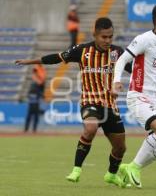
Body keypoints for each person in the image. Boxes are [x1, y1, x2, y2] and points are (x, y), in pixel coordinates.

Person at [16, 17, 132, 187]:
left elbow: (135, 70)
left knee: (120, 148)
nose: (108, 40)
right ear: (95, 35)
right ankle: (76, 169)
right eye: (104, 37)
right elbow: (57, 57)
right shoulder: (83, 50)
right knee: (91, 127)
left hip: (110, 105)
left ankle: (111, 175)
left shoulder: (118, 53)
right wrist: (30, 61)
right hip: (89, 100)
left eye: (110, 37)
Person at [112, 3, 156, 188]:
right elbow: (122, 59)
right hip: (138, 96)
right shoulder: (144, 39)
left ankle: (130, 167)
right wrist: (117, 80)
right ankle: (134, 167)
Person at [24, 64, 46, 133]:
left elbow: (41, 81)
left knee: (34, 115)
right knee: (31, 115)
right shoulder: (34, 86)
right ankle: (27, 129)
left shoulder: (41, 70)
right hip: (33, 103)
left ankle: (33, 130)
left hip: (36, 102)